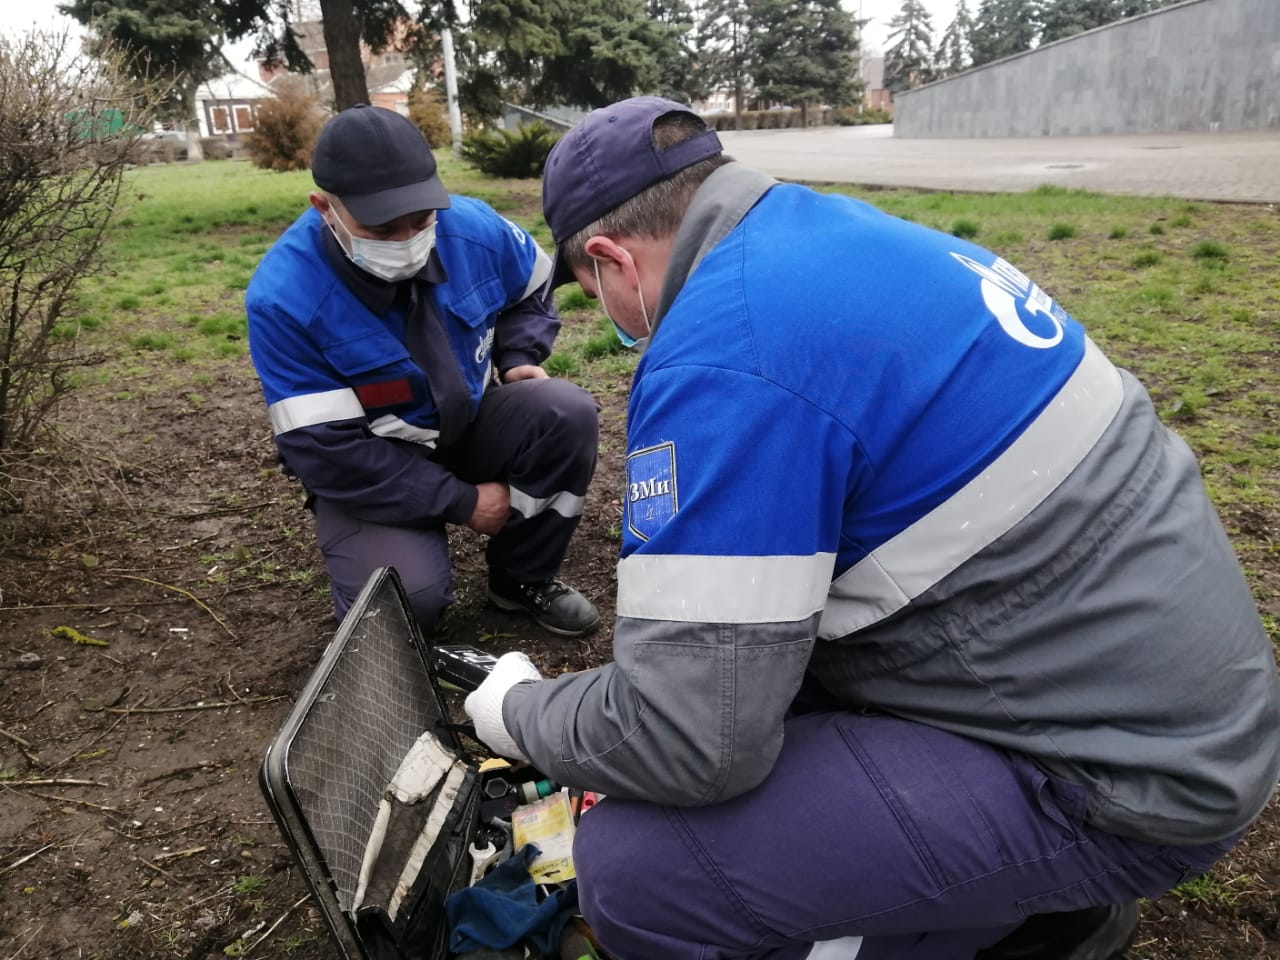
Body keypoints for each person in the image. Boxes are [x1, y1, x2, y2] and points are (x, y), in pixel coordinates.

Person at [462, 97, 1280, 960]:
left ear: (609, 257)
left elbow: (691, 739)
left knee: (636, 871)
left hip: (1119, 782)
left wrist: (520, 711)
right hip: (1161, 704)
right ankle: (1041, 912)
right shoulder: (841, 239)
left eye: (594, 295)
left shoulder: (725, 348)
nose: (609, 316)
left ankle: (1022, 920)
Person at [245, 104, 600, 638]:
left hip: (471, 424)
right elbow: (326, 452)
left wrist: (519, 356)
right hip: (375, 467)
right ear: (325, 208)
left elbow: (535, 289)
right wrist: (463, 502)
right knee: (406, 609)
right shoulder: (284, 299)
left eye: (420, 221)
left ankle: (521, 577)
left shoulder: (474, 229)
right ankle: (400, 561)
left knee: (564, 412)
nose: (406, 242)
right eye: (382, 228)